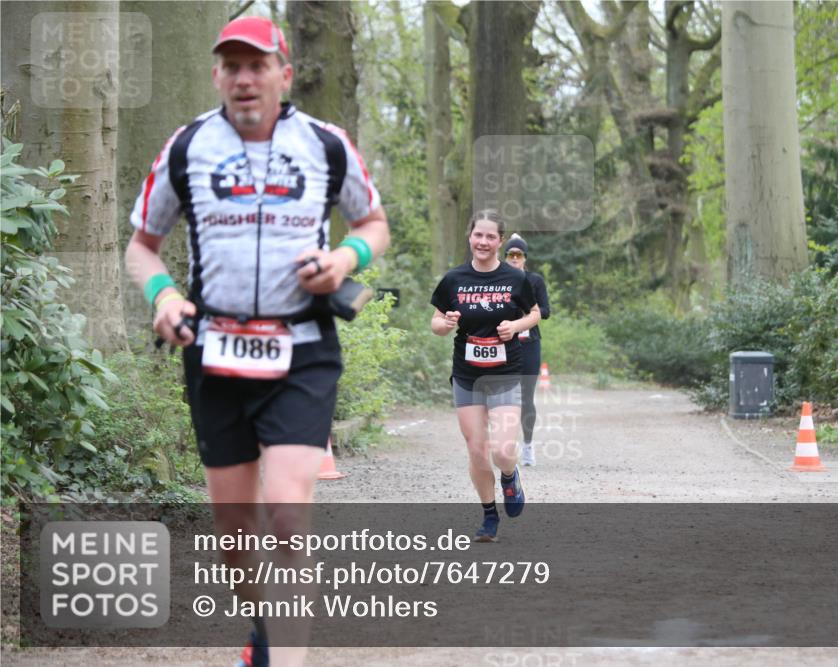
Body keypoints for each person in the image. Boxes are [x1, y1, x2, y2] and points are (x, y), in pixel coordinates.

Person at [123, 16, 389, 667]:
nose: (245, 79)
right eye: (232, 66)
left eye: (258, 65)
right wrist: (164, 296)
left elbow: (374, 222)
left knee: (290, 520)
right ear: (216, 75)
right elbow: (141, 246)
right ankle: (262, 631)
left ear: (284, 73)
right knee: (236, 541)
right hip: (214, 354)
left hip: (302, 351)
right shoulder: (185, 148)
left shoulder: (326, 145)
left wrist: (347, 258)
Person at [431, 210, 540, 542]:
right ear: (470, 237)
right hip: (467, 377)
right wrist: (445, 324)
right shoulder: (454, 279)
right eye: (479, 235)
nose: (483, 241)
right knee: (477, 450)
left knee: (503, 451)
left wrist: (515, 326)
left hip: (506, 373)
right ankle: (489, 515)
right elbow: (436, 323)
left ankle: (510, 477)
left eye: (491, 236)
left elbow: (535, 314)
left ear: (500, 241)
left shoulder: (516, 279)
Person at [502, 234, 551, 466]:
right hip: (503, 344)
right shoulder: (498, 280)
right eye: (510, 254)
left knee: (526, 398)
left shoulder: (535, 281)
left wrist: (527, 313)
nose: (514, 258)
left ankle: (528, 446)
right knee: (502, 396)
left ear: (524, 258)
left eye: (518, 255)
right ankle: (505, 444)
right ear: (505, 258)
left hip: (529, 344)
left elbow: (546, 311)